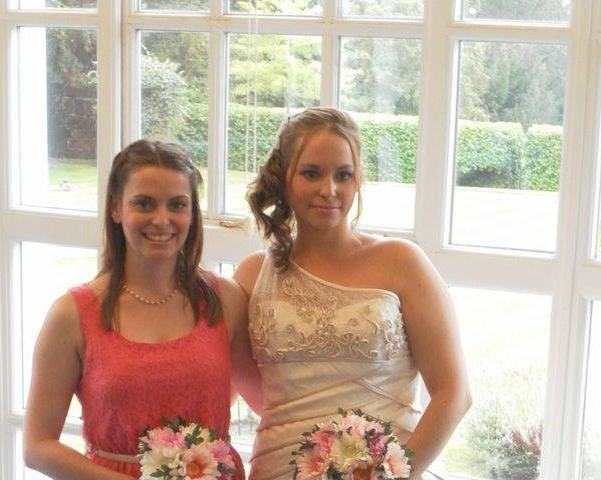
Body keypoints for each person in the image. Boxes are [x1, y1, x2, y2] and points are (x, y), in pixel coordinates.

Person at [233, 107, 472, 480]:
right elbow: (245, 386)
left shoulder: (401, 261)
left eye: (343, 175)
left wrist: (391, 473)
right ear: (284, 179)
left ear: (357, 180)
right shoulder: (251, 276)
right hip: (278, 470)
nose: (329, 190)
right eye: (311, 173)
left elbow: (453, 394)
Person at [24, 139, 249, 479]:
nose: (162, 220)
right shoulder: (72, 315)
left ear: (192, 213)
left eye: (177, 205)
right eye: (144, 204)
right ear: (116, 208)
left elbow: (260, 393)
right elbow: (37, 447)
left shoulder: (226, 300)